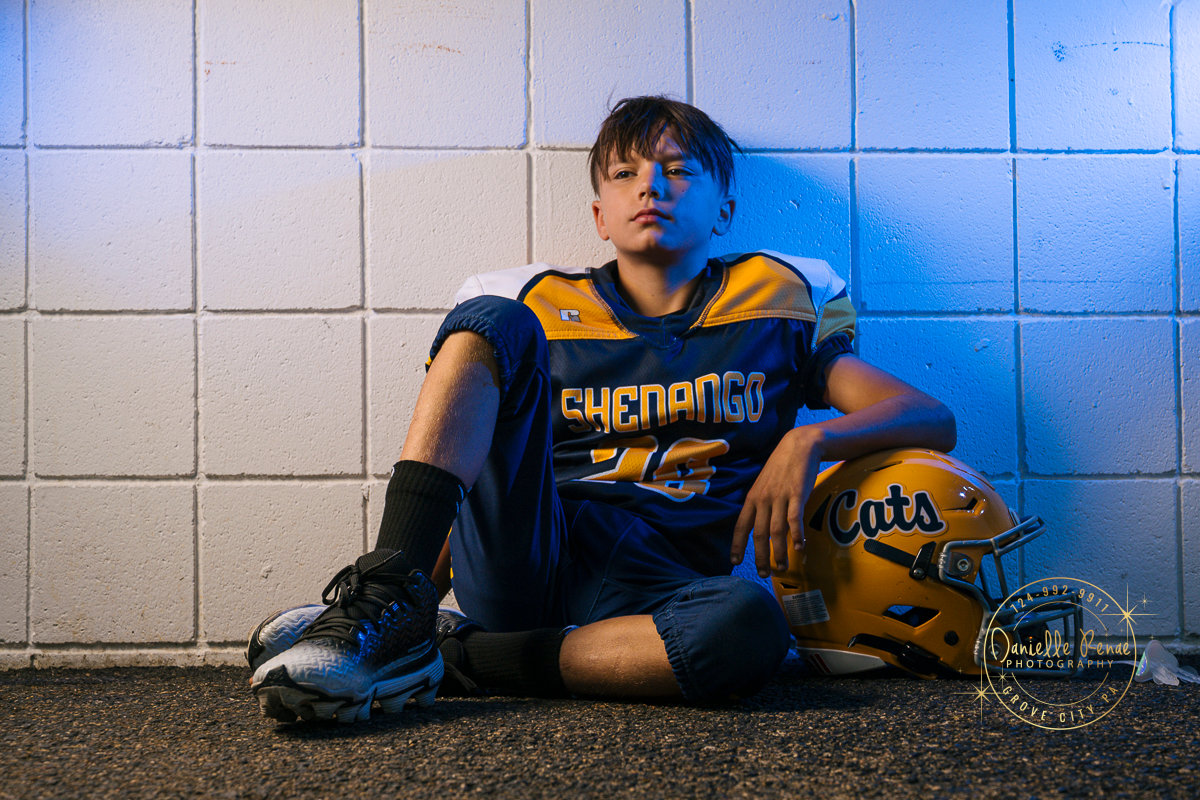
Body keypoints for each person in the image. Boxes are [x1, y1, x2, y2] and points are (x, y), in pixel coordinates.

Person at [247, 96, 956, 723]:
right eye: (626, 173)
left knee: (750, 625)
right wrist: (419, 584)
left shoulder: (776, 299)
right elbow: (473, 467)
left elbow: (926, 416)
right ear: (599, 214)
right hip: (532, 554)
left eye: (679, 170)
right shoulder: (539, 305)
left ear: (725, 209)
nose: (651, 183)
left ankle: (456, 653)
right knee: (489, 320)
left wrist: (808, 444)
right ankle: (388, 607)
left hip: (662, 591)